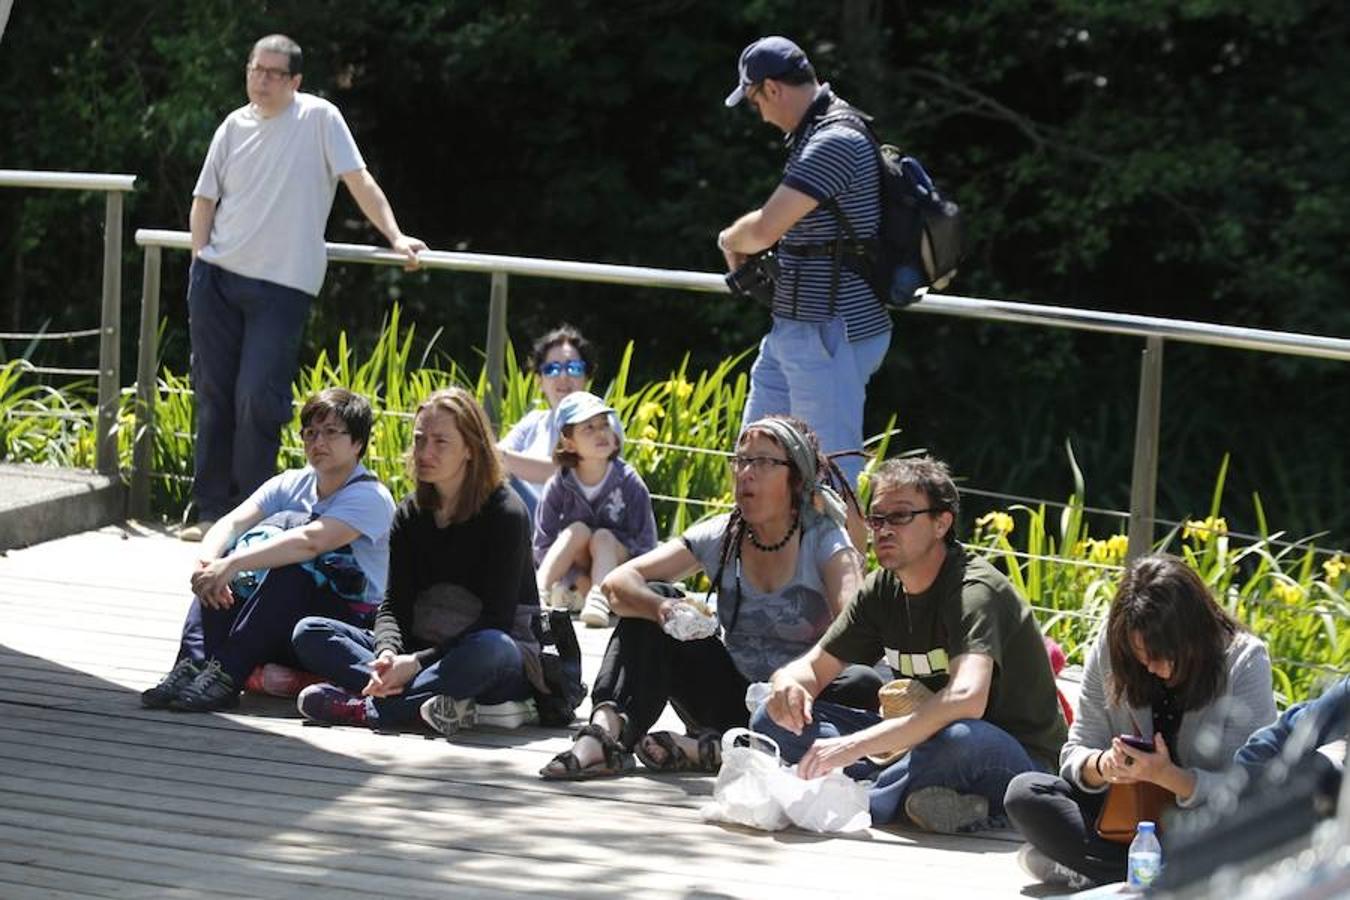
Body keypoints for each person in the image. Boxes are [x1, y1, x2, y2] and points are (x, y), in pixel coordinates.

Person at [181, 33, 426, 541]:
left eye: (274, 73)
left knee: (258, 398)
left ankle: (251, 515)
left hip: (283, 286)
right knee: (213, 393)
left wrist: (397, 236)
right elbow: (204, 198)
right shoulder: (233, 125)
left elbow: (359, 181)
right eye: (256, 69)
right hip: (216, 280)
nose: (262, 80)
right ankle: (207, 509)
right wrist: (199, 259)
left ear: (295, 81)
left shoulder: (319, 118)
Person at [540, 415, 878, 780]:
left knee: (862, 682)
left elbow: (857, 626)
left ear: (795, 478)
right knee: (651, 601)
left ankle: (721, 750)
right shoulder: (724, 532)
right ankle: (606, 736)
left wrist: (800, 677)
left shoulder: (824, 538)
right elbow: (619, 582)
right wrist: (664, 608)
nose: (746, 472)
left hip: (798, 708)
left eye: (763, 462)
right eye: (741, 460)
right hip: (728, 697)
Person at [750, 455, 1068, 833]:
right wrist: (789, 683)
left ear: (941, 523)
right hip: (915, 745)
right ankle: (926, 799)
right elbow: (813, 668)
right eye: (877, 518)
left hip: (1016, 758)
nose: (883, 529)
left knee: (964, 738)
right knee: (770, 718)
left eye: (899, 516)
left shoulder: (974, 590)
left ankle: (866, 800)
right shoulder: (882, 589)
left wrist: (851, 748)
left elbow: (967, 699)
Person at [1003, 553, 1277, 890]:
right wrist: (1105, 765)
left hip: (1204, 822)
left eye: (1163, 655)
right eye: (1140, 655)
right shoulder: (1112, 644)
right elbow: (1076, 749)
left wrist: (1170, 777)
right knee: (1025, 793)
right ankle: (1156, 874)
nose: (1151, 667)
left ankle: (1108, 872)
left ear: (1193, 636)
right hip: (1123, 819)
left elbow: (1252, 784)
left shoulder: (1244, 660)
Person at [291, 387, 540, 737]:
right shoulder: (410, 512)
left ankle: (368, 707)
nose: (425, 452)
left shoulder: (506, 512)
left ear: (471, 448)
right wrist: (389, 653)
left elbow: (497, 620)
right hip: (416, 647)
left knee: (492, 649)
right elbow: (393, 604)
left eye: (440, 442)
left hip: (488, 651)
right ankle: (425, 701)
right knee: (310, 632)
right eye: (420, 440)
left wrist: (416, 664)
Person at [141, 388, 395, 712]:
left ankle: (227, 673)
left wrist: (232, 563)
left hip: (339, 631)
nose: (318, 442)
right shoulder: (291, 483)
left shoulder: (370, 497)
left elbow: (311, 542)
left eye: (331, 432)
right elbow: (231, 524)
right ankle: (192, 663)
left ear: (358, 443)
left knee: (294, 568)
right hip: (275, 622)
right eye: (310, 433)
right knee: (228, 563)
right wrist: (207, 564)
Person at [717, 36, 891, 489]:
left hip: (829, 332)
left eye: (755, 101)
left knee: (831, 477)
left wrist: (729, 239)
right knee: (754, 464)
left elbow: (764, 229)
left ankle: (844, 561)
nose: (761, 114)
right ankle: (759, 560)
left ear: (771, 89)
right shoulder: (820, 133)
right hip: (798, 329)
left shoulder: (834, 140)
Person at [533, 391, 658, 628]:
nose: (601, 433)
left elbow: (646, 547)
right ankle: (539, 592)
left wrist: (623, 584)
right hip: (577, 569)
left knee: (602, 537)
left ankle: (599, 599)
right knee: (577, 530)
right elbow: (542, 545)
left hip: (619, 569)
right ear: (568, 442)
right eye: (588, 428)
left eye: (604, 425)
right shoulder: (559, 484)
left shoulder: (629, 482)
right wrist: (577, 577)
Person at [497, 324, 595, 520]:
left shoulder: (601, 424)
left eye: (574, 368)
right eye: (552, 369)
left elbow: (565, 473)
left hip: (569, 531)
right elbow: (491, 460)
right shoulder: (533, 422)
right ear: (539, 381)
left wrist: (503, 459)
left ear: (586, 377)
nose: (563, 376)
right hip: (521, 526)